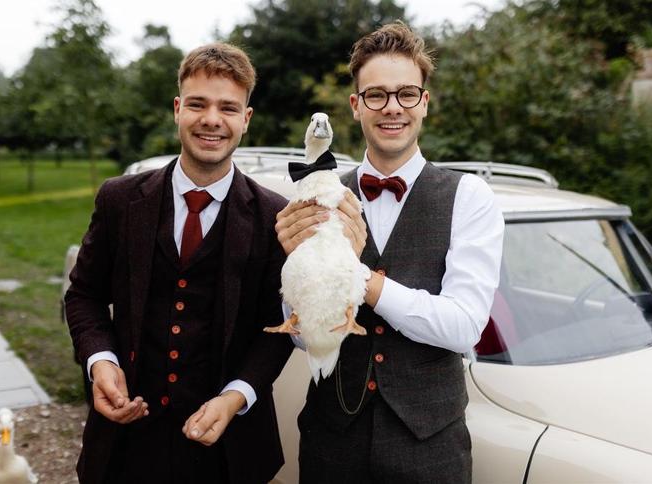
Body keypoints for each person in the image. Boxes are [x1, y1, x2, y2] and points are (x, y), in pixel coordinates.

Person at [275, 22, 504, 483]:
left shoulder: (469, 196)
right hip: (330, 443)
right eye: (376, 95)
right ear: (356, 105)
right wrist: (297, 272)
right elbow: (302, 339)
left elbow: (464, 327)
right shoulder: (319, 195)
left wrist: (359, 278)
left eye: (406, 94)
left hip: (430, 450)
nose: (393, 107)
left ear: (425, 102)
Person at [65, 42, 295, 484]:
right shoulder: (119, 199)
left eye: (228, 107)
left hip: (229, 452)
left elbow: (278, 327)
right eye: (197, 104)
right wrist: (101, 361)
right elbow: (84, 296)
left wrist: (235, 396)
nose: (212, 119)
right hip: (126, 443)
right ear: (177, 109)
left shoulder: (274, 215)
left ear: (246, 119)